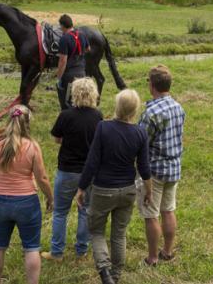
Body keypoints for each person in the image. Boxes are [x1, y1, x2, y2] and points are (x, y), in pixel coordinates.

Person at [76, 89, 152, 284]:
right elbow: (144, 168)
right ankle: (116, 275)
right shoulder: (140, 133)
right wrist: (148, 191)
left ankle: (104, 271)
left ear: (117, 106)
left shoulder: (103, 127)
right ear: (135, 110)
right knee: (119, 234)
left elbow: (92, 161)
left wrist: (81, 188)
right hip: (128, 190)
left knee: (96, 231)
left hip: (103, 189)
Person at [0, 105, 53, 284]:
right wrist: (50, 197)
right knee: (31, 248)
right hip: (26, 202)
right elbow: (41, 177)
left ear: (8, 120)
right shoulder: (32, 146)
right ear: (27, 124)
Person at [41, 78, 104, 262]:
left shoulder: (66, 115)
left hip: (67, 170)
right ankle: (82, 250)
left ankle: (57, 252)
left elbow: (57, 139)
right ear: (94, 94)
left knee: (60, 212)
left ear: (74, 94)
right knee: (85, 210)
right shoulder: (98, 116)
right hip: (89, 172)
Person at [137, 65, 185, 267]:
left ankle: (153, 257)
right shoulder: (178, 107)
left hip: (154, 171)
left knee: (151, 215)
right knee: (168, 210)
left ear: (153, 85)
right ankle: (167, 250)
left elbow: (141, 143)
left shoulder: (150, 113)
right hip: (174, 168)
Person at [56, 14, 90, 110]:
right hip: (82, 73)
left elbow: (63, 61)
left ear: (62, 25)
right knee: (80, 101)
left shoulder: (64, 39)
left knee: (67, 103)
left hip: (69, 76)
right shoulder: (82, 34)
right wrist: (79, 54)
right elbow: (88, 48)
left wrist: (59, 77)